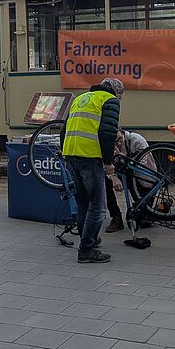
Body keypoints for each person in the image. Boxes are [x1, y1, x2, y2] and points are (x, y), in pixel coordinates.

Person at [62, 77, 122, 263]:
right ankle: (86, 250)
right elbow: (107, 133)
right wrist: (108, 163)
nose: (120, 100)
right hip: (89, 156)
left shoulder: (81, 98)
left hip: (71, 154)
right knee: (97, 206)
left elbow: (64, 129)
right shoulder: (109, 100)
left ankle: (88, 239)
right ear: (115, 92)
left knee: (83, 203)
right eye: (120, 96)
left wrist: (65, 153)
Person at [105, 128, 155, 233]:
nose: (119, 143)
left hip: (143, 177)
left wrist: (123, 158)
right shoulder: (109, 146)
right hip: (127, 174)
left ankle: (160, 208)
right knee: (105, 182)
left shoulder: (137, 140)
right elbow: (106, 165)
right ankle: (116, 217)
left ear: (123, 134)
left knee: (144, 220)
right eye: (116, 142)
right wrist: (114, 177)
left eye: (120, 139)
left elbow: (142, 163)